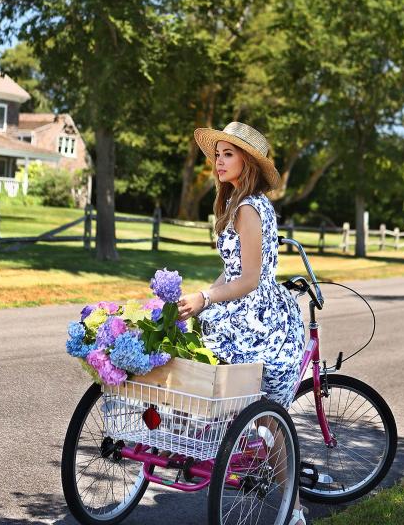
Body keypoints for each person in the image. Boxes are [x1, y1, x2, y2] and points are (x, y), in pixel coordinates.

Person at [177, 121, 307, 525]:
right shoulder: (235, 203)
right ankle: (210, 453)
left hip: (262, 324)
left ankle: (295, 509)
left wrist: (208, 298)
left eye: (228, 154)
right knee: (225, 395)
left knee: (268, 419)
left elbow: (250, 280)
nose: (218, 161)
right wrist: (202, 298)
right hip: (241, 315)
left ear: (247, 162)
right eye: (217, 154)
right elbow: (231, 272)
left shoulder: (249, 208)